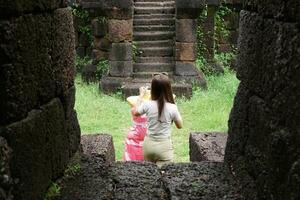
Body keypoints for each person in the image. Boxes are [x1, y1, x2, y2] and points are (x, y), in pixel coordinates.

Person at [132, 73, 183, 167]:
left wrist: (141, 96)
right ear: (168, 89)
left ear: (153, 89)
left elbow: (135, 112)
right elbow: (180, 126)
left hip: (148, 145)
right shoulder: (172, 107)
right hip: (164, 147)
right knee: (165, 176)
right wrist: (173, 102)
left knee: (149, 175)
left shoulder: (147, 105)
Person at [123, 87, 151, 161]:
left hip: (145, 136)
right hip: (138, 136)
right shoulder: (136, 106)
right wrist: (141, 95)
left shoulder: (152, 106)